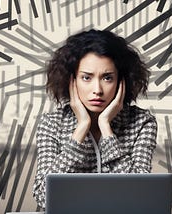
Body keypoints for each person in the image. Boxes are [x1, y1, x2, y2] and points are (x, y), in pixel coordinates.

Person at [33, 29, 157, 209]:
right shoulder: (52, 124)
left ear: (121, 81)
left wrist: (106, 130)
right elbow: (44, 197)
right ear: (72, 80)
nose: (97, 89)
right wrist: (81, 130)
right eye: (86, 77)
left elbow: (140, 197)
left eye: (107, 78)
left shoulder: (142, 123)